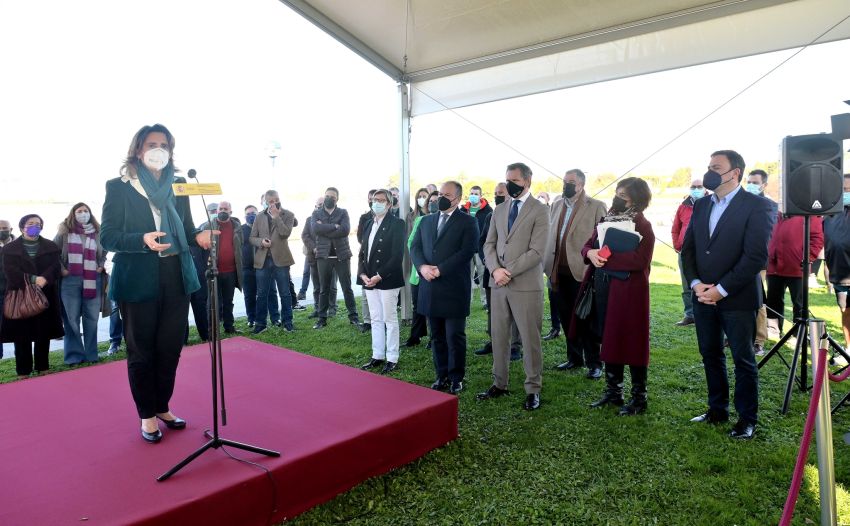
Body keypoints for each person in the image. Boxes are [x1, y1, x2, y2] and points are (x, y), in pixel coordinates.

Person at [100, 123, 216, 443]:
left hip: (176, 275)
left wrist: (199, 236)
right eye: (152, 143)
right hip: (137, 279)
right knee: (142, 351)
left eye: (163, 144)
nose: (158, 149)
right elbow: (107, 236)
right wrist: (142, 239)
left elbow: (189, 228)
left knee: (169, 348)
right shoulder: (120, 186)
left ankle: (162, 405)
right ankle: (147, 415)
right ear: (138, 149)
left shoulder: (178, 185)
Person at [681, 150, 774, 440]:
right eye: (708, 166)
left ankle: (747, 418)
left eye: (716, 167)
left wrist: (720, 290)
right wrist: (696, 284)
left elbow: (755, 257)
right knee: (710, 353)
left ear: (734, 173)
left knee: (743, 360)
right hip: (703, 296)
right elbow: (689, 250)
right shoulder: (701, 205)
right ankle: (716, 409)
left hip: (737, 298)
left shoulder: (759, 206)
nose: (709, 172)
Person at [577, 178, 655, 415]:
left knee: (631, 340)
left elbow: (641, 260)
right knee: (608, 337)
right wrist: (591, 253)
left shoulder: (643, 224)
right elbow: (587, 246)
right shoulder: (606, 219)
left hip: (629, 292)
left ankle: (639, 398)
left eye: (623, 194)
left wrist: (607, 258)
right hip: (602, 286)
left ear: (637, 198)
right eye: (617, 193)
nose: (617, 198)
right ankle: (613, 392)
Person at [479, 162, 550, 411]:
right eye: (507, 179)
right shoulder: (499, 210)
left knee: (530, 339)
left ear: (528, 181)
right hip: (497, 284)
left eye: (515, 181)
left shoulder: (540, 210)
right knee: (499, 336)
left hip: (525, 286)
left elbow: (538, 251)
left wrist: (507, 271)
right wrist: (495, 270)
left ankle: (533, 388)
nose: (509, 185)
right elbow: (488, 244)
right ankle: (500, 383)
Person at [411, 181, 479, 394]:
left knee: (454, 336)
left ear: (457, 199)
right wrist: (422, 267)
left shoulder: (468, 222)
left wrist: (440, 269)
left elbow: (467, 251)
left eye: (446, 194)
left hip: (454, 288)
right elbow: (415, 246)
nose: (441, 197)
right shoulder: (426, 221)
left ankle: (456, 377)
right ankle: (441, 375)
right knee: (437, 336)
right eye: (440, 193)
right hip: (430, 287)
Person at [543, 169, 607, 377]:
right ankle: (574, 358)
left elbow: (603, 238)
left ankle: (595, 363)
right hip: (556, 270)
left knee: (586, 317)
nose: (566, 185)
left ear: (581, 185)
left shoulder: (596, 206)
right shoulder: (556, 204)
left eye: (571, 182)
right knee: (565, 316)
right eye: (564, 181)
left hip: (582, 270)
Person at [1, 214, 63, 376]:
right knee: (22, 336)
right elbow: (10, 271)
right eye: (30, 223)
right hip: (20, 295)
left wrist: (45, 279)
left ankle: (43, 367)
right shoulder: (9, 249)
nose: (35, 226)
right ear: (22, 227)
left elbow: (56, 267)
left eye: (38, 223)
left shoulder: (51, 246)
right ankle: (23, 370)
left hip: (45, 294)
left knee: (44, 333)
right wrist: (34, 279)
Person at [358, 189, 406, 373]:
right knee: (376, 318)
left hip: (387, 278)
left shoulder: (397, 224)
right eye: (373, 199)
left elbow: (397, 256)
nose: (375, 202)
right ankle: (377, 355)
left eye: (380, 200)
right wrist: (363, 275)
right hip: (369, 278)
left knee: (389, 318)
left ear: (388, 203)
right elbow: (363, 252)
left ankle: (392, 357)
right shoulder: (369, 223)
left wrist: (379, 275)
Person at [474, 182, 523, 360]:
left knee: (515, 309)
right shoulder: (491, 216)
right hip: (491, 271)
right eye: (495, 193)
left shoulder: (519, 215)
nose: (497, 196)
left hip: (513, 272)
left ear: (509, 194)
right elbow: (483, 243)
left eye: (500, 193)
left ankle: (515, 346)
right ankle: (495, 341)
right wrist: (490, 263)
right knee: (494, 309)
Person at [54, 202, 107, 364]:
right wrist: (62, 269)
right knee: (71, 319)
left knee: (91, 318)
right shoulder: (64, 231)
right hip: (70, 280)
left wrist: (100, 266)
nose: (83, 213)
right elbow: (53, 253)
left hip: (93, 279)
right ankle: (74, 356)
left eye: (86, 211)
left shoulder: (98, 232)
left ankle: (92, 355)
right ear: (73, 213)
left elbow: (105, 252)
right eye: (79, 211)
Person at [765, 212, 823, 340]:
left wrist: (806, 258)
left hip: (797, 268)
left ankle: (798, 333)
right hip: (774, 267)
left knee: (799, 303)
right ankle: (773, 329)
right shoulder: (776, 214)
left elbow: (817, 239)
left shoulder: (809, 215)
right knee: (773, 300)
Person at [312, 187, 360, 329]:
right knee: (324, 289)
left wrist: (325, 229)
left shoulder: (343, 212)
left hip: (342, 256)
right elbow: (315, 229)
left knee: (347, 287)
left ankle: (353, 317)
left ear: (337, 199)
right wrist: (334, 226)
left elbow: (345, 230)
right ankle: (322, 319)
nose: (329, 198)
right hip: (323, 256)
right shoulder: (316, 213)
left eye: (332, 197)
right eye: (327, 196)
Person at [250, 189, 296, 333]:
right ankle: (261, 324)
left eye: (275, 200)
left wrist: (276, 217)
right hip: (263, 260)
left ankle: (287, 322)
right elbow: (252, 238)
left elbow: (285, 233)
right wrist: (261, 242)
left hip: (281, 260)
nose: (273, 203)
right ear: (265, 202)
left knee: (285, 293)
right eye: (270, 201)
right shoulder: (259, 216)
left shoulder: (288, 215)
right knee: (262, 293)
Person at [198, 201, 243, 334]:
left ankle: (229, 327)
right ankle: (213, 331)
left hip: (231, 271)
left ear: (231, 211)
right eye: (221, 209)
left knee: (228, 301)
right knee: (213, 303)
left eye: (226, 209)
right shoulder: (207, 226)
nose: (223, 211)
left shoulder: (236, 226)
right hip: (214, 271)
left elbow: (240, 245)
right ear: (217, 211)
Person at [746, 169, 775, 350]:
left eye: (755, 183)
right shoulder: (739, 202)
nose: (751, 185)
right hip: (736, 259)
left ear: (763, 185)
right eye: (748, 181)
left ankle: (758, 340)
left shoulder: (768, 205)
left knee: (757, 299)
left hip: (757, 261)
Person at [404, 190, 436, 348]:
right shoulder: (421, 220)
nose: (432, 204)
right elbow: (411, 242)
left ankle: (433, 338)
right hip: (419, 270)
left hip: (433, 270)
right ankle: (415, 335)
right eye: (431, 201)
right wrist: (421, 261)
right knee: (417, 305)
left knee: (432, 306)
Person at [671, 179, 705, 327]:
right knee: (686, 284)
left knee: (704, 282)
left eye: (699, 187)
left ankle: (704, 315)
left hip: (704, 252)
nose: (696, 189)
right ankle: (689, 314)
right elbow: (675, 228)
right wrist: (677, 244)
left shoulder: (711, 203)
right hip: (685, 251)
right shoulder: (683, 207)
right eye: (693, 187)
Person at [823, 174, 850, 347]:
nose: (845, 193)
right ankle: (849, 348)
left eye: (849, 189)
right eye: (843, 190)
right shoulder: (831, 213)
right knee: (845, 312)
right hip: (839, 272)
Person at [302, 197, 338, 319]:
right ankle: (318, 308)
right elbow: (305, 235)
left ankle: (332, 308)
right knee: (317, 286)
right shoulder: (309, 220)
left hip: (330, 257)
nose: (319, 207)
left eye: (321, 205)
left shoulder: (334, 220)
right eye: (317, 205)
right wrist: (313, 247)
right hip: (314, 257)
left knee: (331, 285)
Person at [463, 185, 492, 309]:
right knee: (466, 277)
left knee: (481, 275)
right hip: (466, 249)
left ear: (481, 196)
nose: (473, 196)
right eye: (471, 193)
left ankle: (484, 300)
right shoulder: (463, 210)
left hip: (480, 250)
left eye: (476, 194)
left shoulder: (488, 211)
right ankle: (466, 300)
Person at [356, 189, 377, 332]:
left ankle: (378, 320)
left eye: (374, 199)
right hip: (367, 257)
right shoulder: (365, 218)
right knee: (365, 292)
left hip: (382, 259)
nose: (372, 202)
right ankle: (367, 320)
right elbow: (360, 237)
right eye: (370, 199)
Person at [0, 219, 16, 358]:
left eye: (5, 228)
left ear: (11, 230)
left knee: (20, 329)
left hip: (17, 294)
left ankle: (22, 361)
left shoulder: (20, 245)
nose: (2, 231)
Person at [241, 205, 259, 328]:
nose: (250, 215)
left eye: (253, 213)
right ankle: (251, 318)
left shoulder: (262, 228)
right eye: (248, 214)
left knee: (265, 293)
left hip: (262, 266)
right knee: (249, 295)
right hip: (246, 268)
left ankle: (266, 317)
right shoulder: (241, 229)